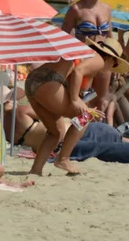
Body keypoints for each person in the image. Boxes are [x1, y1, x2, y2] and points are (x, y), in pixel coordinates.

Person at [23, 39, 112, 176]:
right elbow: (78, 71)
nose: (113, 68)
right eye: (115, 63)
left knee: (56, 132)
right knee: (85, 117)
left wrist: (80, 101)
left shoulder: (84, 55)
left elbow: (73, 82)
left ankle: (36, 170)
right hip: (49, 81)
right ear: (109, 58)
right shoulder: (98, 59)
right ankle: (63, 159)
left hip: (32, 81)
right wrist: (76, 100)